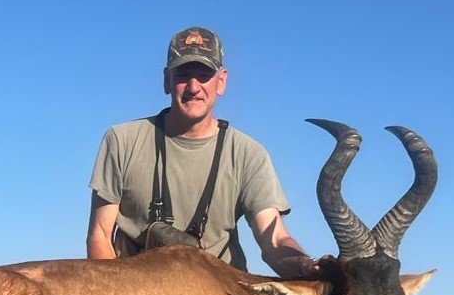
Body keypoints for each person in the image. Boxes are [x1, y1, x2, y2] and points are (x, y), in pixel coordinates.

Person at [87, 26, 319, 278]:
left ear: (222, 81)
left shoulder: (249, 154)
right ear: (167, 80)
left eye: (204, 76)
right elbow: (99, 236)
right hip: (138, 294)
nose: (194, 87)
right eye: (183, 75)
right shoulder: (122, 140)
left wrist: (307, 265)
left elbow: (274, 240)